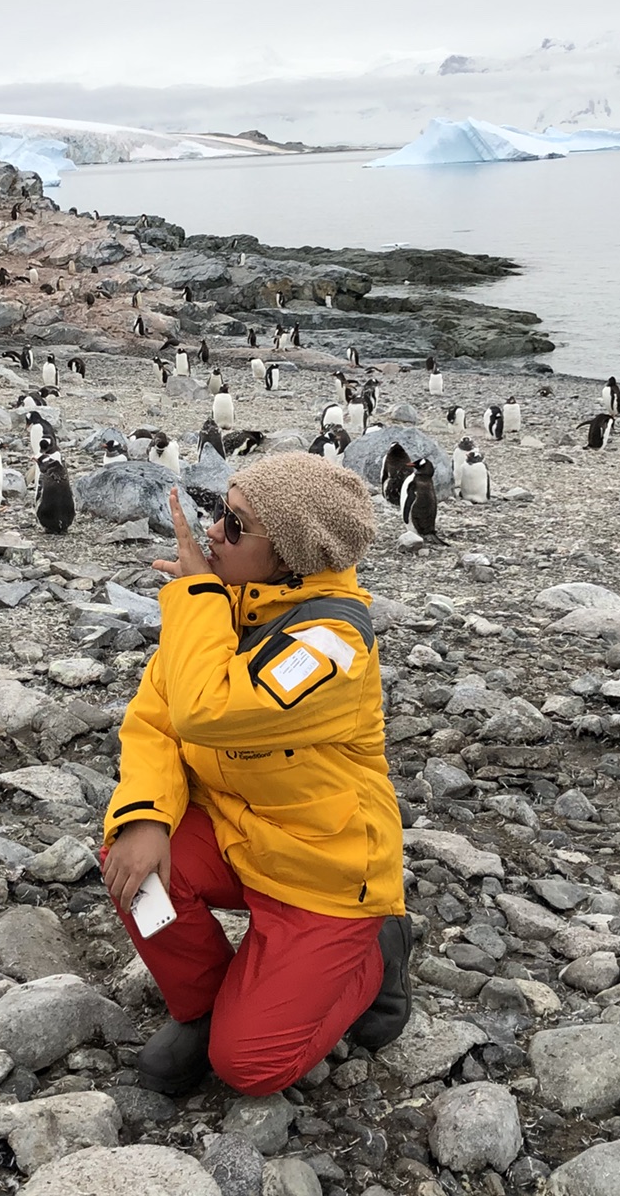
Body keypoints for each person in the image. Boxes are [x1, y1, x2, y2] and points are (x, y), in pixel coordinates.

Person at [101, 452, 411, 1096]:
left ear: (292, 556)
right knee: (133, 865)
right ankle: (207, 1003)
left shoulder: (331, 645)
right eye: (219, 512)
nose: (214, 531)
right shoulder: (228, 610)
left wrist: (195, 598)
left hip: (321, 872)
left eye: (236, 526)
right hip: (240, 837)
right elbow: (156, 722)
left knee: (252, 1068)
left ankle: (375, 953)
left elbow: (206, 711)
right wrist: (144, 817)